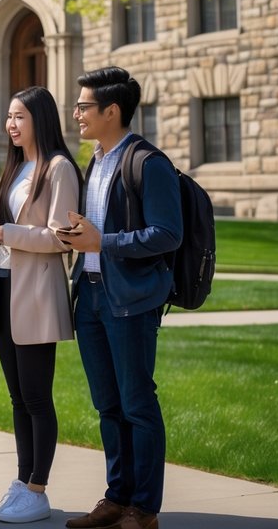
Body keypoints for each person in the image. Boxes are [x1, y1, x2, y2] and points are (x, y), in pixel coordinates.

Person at [62, 67, 182, 529]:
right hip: (90, 298)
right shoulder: (96, 159)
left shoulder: (148, 162)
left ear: (112, 111)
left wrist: (102, 242)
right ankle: (116, 496)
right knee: (107, 406)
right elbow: (99, 232)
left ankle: (144, 509)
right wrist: (79, 237)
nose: (76, 114)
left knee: (137, 404)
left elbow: (167, 234)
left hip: (129, 301)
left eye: (83, 106)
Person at [0, 87, 83, 523]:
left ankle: (38, 491)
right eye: (8, 117)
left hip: (37, 293)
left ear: (40, 118)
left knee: (38, 397)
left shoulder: (59, 168)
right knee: (17, 398)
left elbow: (63, 238)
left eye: (19, 116)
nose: (11, 125)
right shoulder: (19, 167)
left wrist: (6, 233)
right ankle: (23, 484)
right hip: (5, 288)